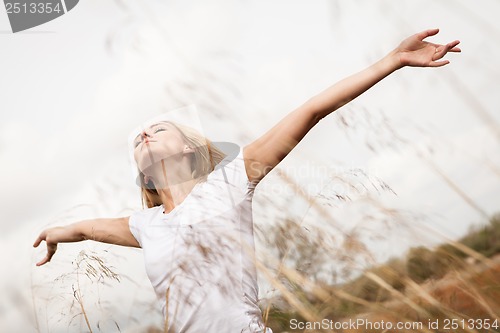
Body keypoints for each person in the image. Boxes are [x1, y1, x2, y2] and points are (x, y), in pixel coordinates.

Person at [33, 28, 460, 332]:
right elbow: (88, 229)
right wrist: (55, 232)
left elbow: (311, 111)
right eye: (140, 138)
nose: (146, 133)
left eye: (160, 129)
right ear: (141, 174)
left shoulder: (231, 182)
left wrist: (392, 61)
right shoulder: (147, 225)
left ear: (190, 149)